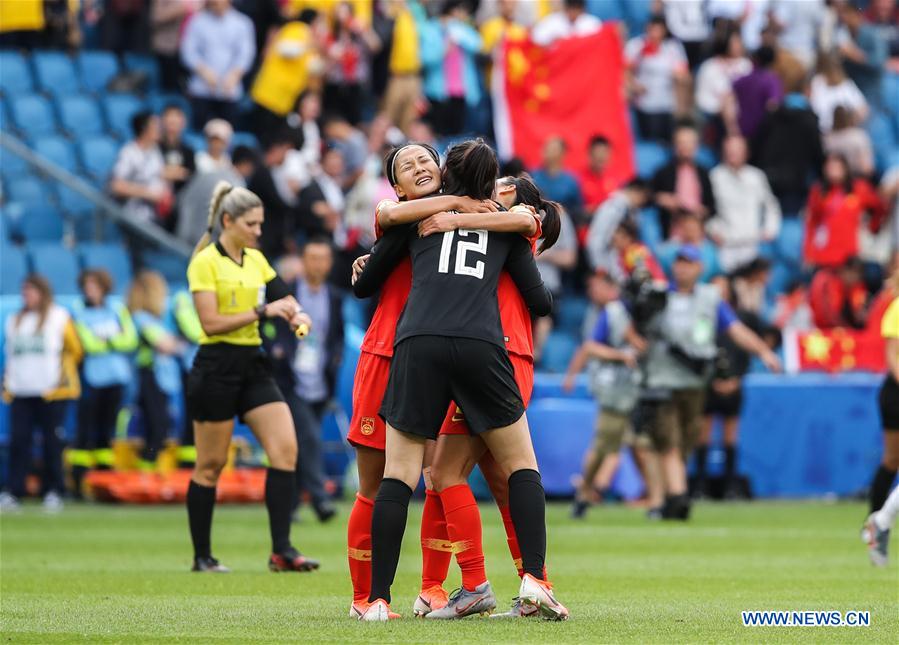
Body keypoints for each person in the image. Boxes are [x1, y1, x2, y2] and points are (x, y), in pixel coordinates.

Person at [355, 140, 563, 622]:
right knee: (519, 467)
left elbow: (368, 282)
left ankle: (379, 601)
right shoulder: (504, 224)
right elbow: (542, 300)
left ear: (446, 172)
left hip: (417, 343)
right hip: (483, 346)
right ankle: (534, 580)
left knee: (401, 476)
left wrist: (367, 263)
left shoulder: (415, 220)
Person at [184, 180, 318, 574]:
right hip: (215, 367)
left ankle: (282, 550)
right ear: (228, 221)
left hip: (252, 365)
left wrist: (297, 313)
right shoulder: (204, 262)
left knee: (285, 452)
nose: (259, 232)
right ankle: (203, 556)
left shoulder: (256, 260)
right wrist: (265, 312)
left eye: (260, 224)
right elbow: (210, 322)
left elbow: (285, 299)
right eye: (252, 224)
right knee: (210, 465)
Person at [642, 244, 781, 520]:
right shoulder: (657, 295)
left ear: (700, 268)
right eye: (679, 261)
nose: (682, 267)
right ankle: (679, 497)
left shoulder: (709, 298)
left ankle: (670, 496)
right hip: (662, 379)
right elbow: (633, 323)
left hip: (695, 381)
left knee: (686, 442)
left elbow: (736, 330)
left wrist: (763, 351)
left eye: (689, 262)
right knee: (669, 440)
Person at [269, 239, 344, 523]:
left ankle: (289, 505)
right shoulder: (287, 293)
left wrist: (335, 357)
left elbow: (335, 336)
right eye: (312, 257)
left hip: (320, 381)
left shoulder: (334, 297)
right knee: (310, 437)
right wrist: (277, 349)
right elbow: (271, 326)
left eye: (323, 258)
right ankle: (320, 499)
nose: (317, 264)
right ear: (303, 260)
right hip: (291, 380)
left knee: (299, 443)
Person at [563, 270, 647, 519]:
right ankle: (589, 490)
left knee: (641, 445)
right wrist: (621, 355)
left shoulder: (624, 311)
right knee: (608, 445)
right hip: (618, 390)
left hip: (639, 387)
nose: (592, 292)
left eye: (597, 286)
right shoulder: (612, 312)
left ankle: (653, 495)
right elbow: (590, 347)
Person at [0, 275, 81, 513]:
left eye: (31, 291)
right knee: (19, 443)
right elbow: (11, 356)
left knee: (51, 443)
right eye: (24, 292)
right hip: (21, 391)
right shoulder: (14, 320)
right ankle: (15, 491)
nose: (27, 297)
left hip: (51, 392)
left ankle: (53, 490)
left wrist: (59, 378)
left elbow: (75, 350)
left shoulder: (59, 317)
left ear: (43, 293)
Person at [70, 270, 139, 498]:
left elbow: (130, 340)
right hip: (91, 378)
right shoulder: (79, 311)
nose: (91, 291)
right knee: (85, 431)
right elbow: (88, 344)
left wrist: (105, 341)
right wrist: (113, 341)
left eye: (95, 286)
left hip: (116, 378)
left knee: (106, 430)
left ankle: (104, 480)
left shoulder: (117, 309)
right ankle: (79, 482)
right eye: (87, 286)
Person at [128, 270, 183, 470]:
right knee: (155, 424)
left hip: (155, 376)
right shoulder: (141, 318)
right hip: (148, 375)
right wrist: (178, 343)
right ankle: (147, 468)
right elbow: (166, 345)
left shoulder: (152, 320)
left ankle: (149, 466)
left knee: (158, 423)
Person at [863, 275, 899, 566]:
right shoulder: (897, 309)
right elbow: (893, 357)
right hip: (896, 392)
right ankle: (878, 518)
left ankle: (881, 521)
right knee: (892, 459)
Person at [708, 135, 781, 272]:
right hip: (726, 245)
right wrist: (713, 231)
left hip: (752, 244)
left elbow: (771, 205)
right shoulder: (714, 177)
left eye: (737, 150)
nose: (733, 154)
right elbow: (707, 209)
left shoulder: (756, 176)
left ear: (746, 153)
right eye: (729, 150)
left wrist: (770, 230)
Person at [752, 77, 824, 215]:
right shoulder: (809, 120)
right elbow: (817, 154)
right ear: (807, 91)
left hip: (768, 176)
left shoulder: (771, 116)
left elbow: (757, 146)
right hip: (796, 182)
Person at [180, 0, 256, 129]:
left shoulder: (243, 23)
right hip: (202, 90)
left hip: (230, 91)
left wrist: (234, 74)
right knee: (199, 132)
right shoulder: (197, 21)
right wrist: (203, 71)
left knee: (227, 134)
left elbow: (246, 54)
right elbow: (188, 52)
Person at [803, 153, 885, 270]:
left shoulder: (858, 188)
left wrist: (873, 227)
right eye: (830, 167)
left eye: (837, 167)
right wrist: (808, 252)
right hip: (825, 253)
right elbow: (811, 223)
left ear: (845, 168)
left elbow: (878, 206)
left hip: (850, 253)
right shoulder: (818, 192)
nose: (834, 171)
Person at [250, 9, 321, 139]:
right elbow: (286, 49)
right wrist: (308, 45)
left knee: (273, 136)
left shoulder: (311, 40)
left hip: (284, 100)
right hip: (270, 94)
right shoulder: (298, 29)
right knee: (263, 134)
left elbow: (313, 66)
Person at [420, 0, 482, 137]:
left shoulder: (461, 30)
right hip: (438, 93)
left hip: (460, 92)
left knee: (459, 133)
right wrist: (443, 50)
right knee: (438, 132)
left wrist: (459, 34)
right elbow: (424, 59)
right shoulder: (430, 29)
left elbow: (478, 44)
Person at [625, 14, 690, 144]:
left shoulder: (673, 48)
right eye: (652, 28)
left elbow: (683, 74)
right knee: (649, 141)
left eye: (658, 29)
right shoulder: (636, 46)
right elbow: (624, 71)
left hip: (666, 104)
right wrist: (634, 85)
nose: (654, 33)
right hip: (645, 104)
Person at [651, 121, 716, 238]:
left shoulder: (704, 173)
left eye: (689, 143)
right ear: (674, 145)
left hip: (698, 233)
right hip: (673, 232)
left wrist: (702, 211)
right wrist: (662, 199)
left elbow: (712, 207)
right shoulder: (663, 172)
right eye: (681, 143)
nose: (685, 147)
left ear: (696, 146)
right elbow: (648, 196)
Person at [110, 111, 171, 225]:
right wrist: (149, 194)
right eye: (155, 125)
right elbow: (117, 186)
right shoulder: (128, 152)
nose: (160, 129)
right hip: (134, 219)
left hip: (155, 217)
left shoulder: (155, 151)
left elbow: (157, 174)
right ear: (144, 129)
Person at [694, 26, 751, 147]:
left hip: (743, 116)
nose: (739, 45)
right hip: (715, 117)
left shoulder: (746, 66)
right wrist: (721, 109)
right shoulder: (709, 67)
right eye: (735, 42)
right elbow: (702, 99)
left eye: (740, 41)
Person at [585, 179, 651, 278]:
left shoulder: (631, 211)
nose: (642, 203)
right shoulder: (612, 208)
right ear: (637, 192)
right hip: (607, 266)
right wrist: (599, 267)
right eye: (643, 198)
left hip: (622, 265)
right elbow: (596, 239)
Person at [732, 45, 784, 141]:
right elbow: (773, 105)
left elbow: (730, 94)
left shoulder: (743, 80)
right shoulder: (772, 80)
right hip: (760, 133)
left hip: (742, 128)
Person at [810, 53, 869, 133]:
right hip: (830, 133)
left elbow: (863, 110)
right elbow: (863, 110)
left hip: (837, 132)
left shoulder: (846, 84)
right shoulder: (817, 83)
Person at [531, 136, 583, 224]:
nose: (547, 151)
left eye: (553, 149)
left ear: (562, 153)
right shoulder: (533, 176)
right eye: (546, 147)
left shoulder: (571, 181)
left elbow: (578, 209)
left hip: (563, 226)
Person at [825, 106, 875, 178]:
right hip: (856, 179)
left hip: (839, 179)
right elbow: (867, 168)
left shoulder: (828, 139)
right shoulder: (858, 136)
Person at [159, 103, 196, 202]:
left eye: (176, 116)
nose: (172, 120)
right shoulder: (154, 147)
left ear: (183, 122)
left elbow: (191, 175)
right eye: (169, 116)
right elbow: (150, 172)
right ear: (162, 121)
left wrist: (167, 172)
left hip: (181, 199)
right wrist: (178, 172)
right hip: (157, 198)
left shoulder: (188, 150)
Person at [531, 0, 601, 47]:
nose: (573, 13)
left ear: (582, 10)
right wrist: (552, 40)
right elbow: (537, 38)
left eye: (576, 9)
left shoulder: (592, 22)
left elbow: (598, 42)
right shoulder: (553, 20)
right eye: (571, 9)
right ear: (566, 9)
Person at [579, 136, 619, 213]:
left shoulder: (616, 180)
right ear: (589, 154)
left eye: (604, 152)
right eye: (598, 153)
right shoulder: (578, 179)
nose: (601, 156)